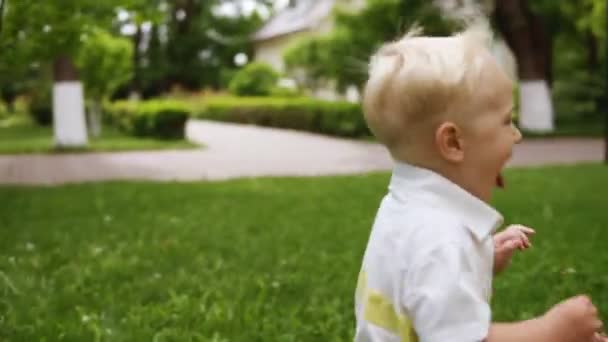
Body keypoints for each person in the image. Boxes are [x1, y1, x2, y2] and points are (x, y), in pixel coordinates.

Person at [354, 23, 606, 342]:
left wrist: (479, 258)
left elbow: (417, 287)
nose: (517, 135)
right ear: (454, 142)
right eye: (506, 121)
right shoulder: (440, 240)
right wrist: (553, 331)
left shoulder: (403, 211)